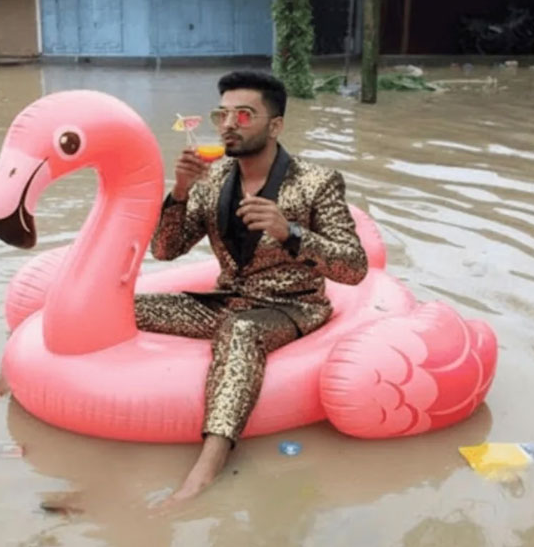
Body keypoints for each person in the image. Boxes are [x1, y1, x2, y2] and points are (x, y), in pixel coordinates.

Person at [135, 71, 368, 504]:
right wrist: (181, 192)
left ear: (274, 125)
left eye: (243, 114)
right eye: (221, 113)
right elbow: (165, 251)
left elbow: (354, 268)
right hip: (227, 300)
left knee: (241, 331)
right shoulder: (211, 177)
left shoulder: (316, 182)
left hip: (293, 306)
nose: (228, 124)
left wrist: (290, 231)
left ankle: (207, 468)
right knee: (128, 308)